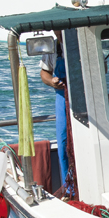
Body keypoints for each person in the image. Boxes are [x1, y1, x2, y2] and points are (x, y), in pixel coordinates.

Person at [40, 31, 69, 185]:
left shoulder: (82, 42)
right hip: (61, 98)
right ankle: (69, 187)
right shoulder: (53, 47)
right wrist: (52, 81)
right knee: (63, 142)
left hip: (85, 98)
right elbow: (44, 72)